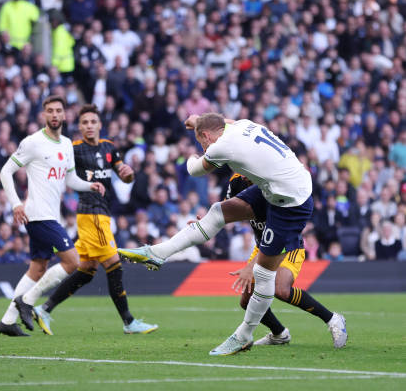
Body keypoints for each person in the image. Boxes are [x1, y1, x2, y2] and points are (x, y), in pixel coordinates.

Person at [119, 113, 345, 355]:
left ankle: (245, 335)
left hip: (290, 203)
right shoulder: (242, 125)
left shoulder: (221, 146)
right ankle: (157, 253)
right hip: (280, 188)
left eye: (202, 143)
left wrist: (191, 156)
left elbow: (195, 169)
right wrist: (198, 122)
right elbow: (221, 121)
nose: (204, 148)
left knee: (265, 276)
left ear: (206, 136)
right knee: (217, 212)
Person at [33, 104, 158, 335]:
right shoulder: (74, 149)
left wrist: (128, 174)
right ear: (79, 127)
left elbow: (123, 172)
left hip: (101, 214)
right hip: (91, 214)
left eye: (93, 122)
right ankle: (129, 322)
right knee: (114, 265)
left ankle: (44, 308)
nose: (89, 126)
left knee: (86, 270)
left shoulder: (109, 147)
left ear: (99, 125)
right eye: (85, 123)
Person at [0, 96, 105, 336]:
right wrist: (16, 204)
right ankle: (27, 300)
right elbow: (6, 171)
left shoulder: (67, 144)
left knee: (37, 268)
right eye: (50, 111)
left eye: (58, 111)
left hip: (51, 216)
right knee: (72, 262)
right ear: (44, 115)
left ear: (65, 115)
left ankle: (7, 321)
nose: (54, 115)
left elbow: (69, 178)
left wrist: (90, 185)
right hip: (36, 215)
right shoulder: (33, 142)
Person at [225, 173, 347, 348]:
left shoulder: (272, 182)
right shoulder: (236, 180)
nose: (244, 174)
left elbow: (277, 229)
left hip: (286, 243)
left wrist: (250, 266)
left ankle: (333, 319)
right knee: (246, 300)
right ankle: (279, 334)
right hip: (262, 245)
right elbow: (226, 209)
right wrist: (206, 222)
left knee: (281, 289)